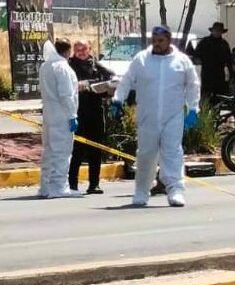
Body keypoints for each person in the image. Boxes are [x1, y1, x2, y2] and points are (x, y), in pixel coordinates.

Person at [111, 25, 200, 208]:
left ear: (169, 41)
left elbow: (193, 85)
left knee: (173, 152)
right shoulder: (141, 59)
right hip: (147, 116)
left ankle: (175, 190)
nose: (157, 44)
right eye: (154, 40)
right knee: (145, 154)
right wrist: (118, 99)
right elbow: (127, 80)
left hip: (172, 116)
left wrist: (193, 109)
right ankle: (142, 191)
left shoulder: (182, 61)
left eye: (160, 41)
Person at [68, 40, 114, 195]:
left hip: (95, 111)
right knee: (76, 151)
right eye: (77, 49)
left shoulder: (96, 65)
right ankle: (72, 184)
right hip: (77, 111)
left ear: (90, 49)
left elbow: (111, 78)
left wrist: (93, 84)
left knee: (95, 150)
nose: (81, 52)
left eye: (84, 49)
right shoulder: (69, 65)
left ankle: (94, 184)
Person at [38, 38, 81, 199]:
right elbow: (66, 95)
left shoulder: (45, 66)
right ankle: (58, 186)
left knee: (49, 150)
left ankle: (45, 186)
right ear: (68, 51)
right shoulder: (62, 68)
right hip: (62, 115)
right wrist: (72, 116)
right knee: (62, 151)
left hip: (49, 114)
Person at [193, 22, 232, 103]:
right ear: (212, 31)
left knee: (218, 101)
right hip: (207, 77)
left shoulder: (224, 44)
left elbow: (229, 61)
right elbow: (196, 56)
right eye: (216, 30)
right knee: (206, 100)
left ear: (222, 32)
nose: (218, 32)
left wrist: (231, 76)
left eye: (219, 31)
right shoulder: (205, 42)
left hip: (220, 77)